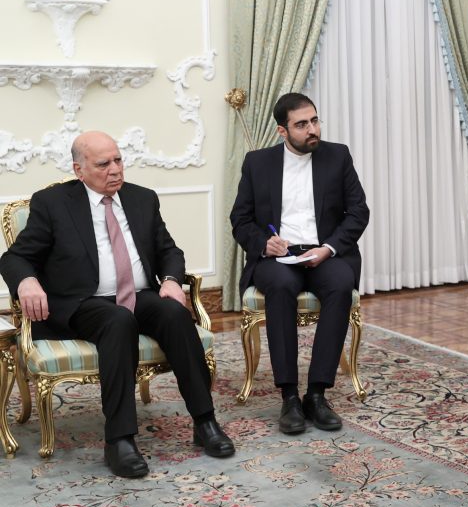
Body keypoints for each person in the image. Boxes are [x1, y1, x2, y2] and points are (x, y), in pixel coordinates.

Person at [0, 131, 235, 478]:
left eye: (118, 160)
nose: (115, 170)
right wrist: (27, 281)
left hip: (139, 295)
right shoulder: (53, 203)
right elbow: (15, 257)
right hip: (84, 302)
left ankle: (205, 422)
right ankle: (120, 440)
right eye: (103, 164)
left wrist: (171, 280)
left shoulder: (142, 198)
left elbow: (169, 250)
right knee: (117, 320)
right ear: (79, 170)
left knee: (174, 313)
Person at [229, 93, 369, 435]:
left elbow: (358, 212)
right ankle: (289, 396)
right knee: (279, 286)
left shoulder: (338, 156)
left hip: (323, 252)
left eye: (315, 121)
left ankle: (317, 395)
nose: (312, 130)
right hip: (278, 256)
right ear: (283, 130)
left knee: (340, 285)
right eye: (302, 124)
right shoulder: (257, 163)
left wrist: (329, 248)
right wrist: (264, 243)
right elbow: (240, 219)